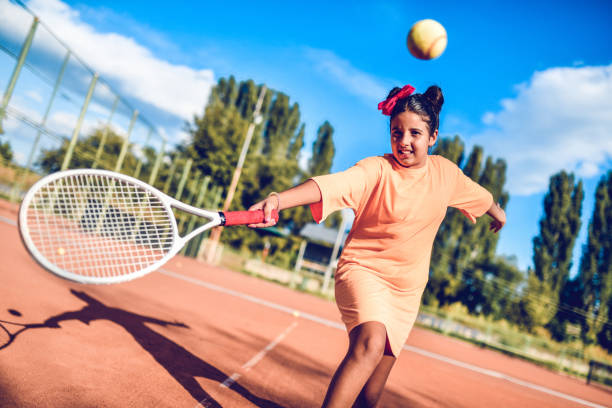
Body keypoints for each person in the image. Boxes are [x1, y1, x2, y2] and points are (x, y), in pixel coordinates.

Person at [248, 84, 506, 407]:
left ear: (433, 137)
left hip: (406, 294)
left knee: (370, 395)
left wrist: (498, 214)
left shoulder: (446, 176)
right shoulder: (377, 170)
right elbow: (330, 185)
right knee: (369, 345)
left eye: (415, 133)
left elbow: (481, 196)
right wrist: (277, 200)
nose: (404, 141)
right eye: (396, 132)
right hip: (363, 272)